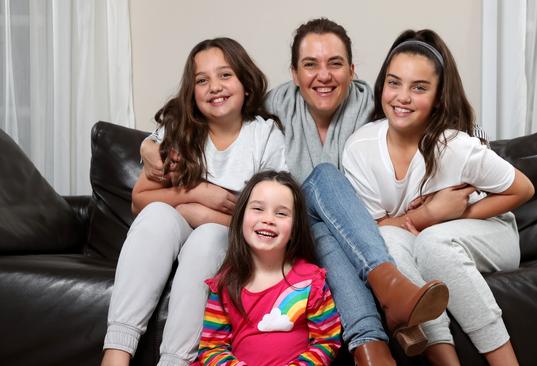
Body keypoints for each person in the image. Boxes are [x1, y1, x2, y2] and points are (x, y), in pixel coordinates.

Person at [142, 19, 450, 365]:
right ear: (293, 73)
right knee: (321, 182)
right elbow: (208, 116)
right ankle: (388, 287)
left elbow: (451, 125)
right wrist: (150, 143)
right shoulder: (272, 109)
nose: (323, 75)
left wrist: (421, 211)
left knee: (322, 211)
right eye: (310, 65)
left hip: (352, 242)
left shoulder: (377, 104)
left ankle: (371, 347)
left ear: (352, 70)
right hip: (292, 240)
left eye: (335, 63)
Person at [342, 29, 535, 365]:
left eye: (419, 87)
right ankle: (444, 359)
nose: (402, 96)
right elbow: (375, 225)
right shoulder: (360, 148)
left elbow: (524, 189)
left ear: (437, 97)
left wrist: (454, 215)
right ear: (381, 87)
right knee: (386, 238)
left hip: (489, 229)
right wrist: (427, 216)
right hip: (415, 234)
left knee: (432, 243)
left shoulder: (456, 146)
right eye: (394, 83)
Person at [101, 38, 287, 366]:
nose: (214, 87)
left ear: (245, 83)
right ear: (192, 92)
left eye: (225, 75)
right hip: (172, 229)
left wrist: (201, 215)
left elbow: (270, 220)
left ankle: (175, 362)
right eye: (202, 80)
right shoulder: (180, 131)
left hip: (226, 239)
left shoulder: (265, 136)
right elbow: (140, 200)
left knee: (207, 236)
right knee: (157, 213)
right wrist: (198, 194)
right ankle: (116, 355)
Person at [195, 170, 342, 365]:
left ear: (294, 229)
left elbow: (327, 341)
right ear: (241, 218)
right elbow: (212, 347)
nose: (268, 219)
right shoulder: (225, 284)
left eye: (281, 213)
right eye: (258, 209)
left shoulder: (311, 282)